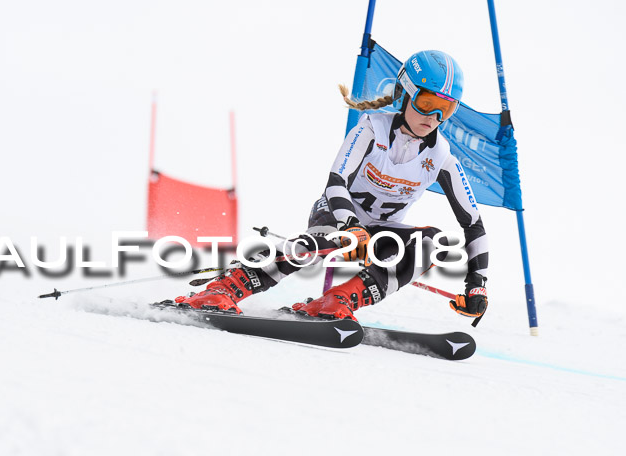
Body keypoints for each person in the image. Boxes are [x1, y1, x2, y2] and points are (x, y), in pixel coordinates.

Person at [176, 50, 489, 321]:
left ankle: (336, 300)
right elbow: (336, 182)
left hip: (382, 230)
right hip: (337, 215)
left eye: (445, 109)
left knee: (432, 243)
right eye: (426, 103)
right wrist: (350, 224)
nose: (433, 117)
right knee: (328, 240)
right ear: (406, 93)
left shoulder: (442, 156)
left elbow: (474, 226)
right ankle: (223, 289)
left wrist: (477, 283)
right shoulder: (372, 128)